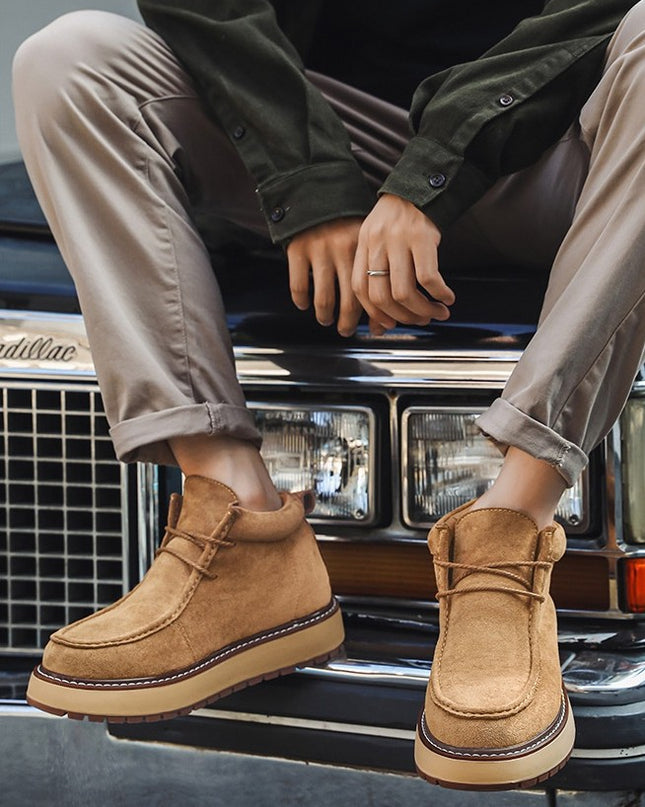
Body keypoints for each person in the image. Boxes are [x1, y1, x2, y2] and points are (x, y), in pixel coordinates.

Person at [11, 0, 645, 790]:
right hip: (327, 129)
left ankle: (507, 536)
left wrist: (427, 178)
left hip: (559, 147)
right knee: (68, 59)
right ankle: (240, 526)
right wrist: (308, 180)